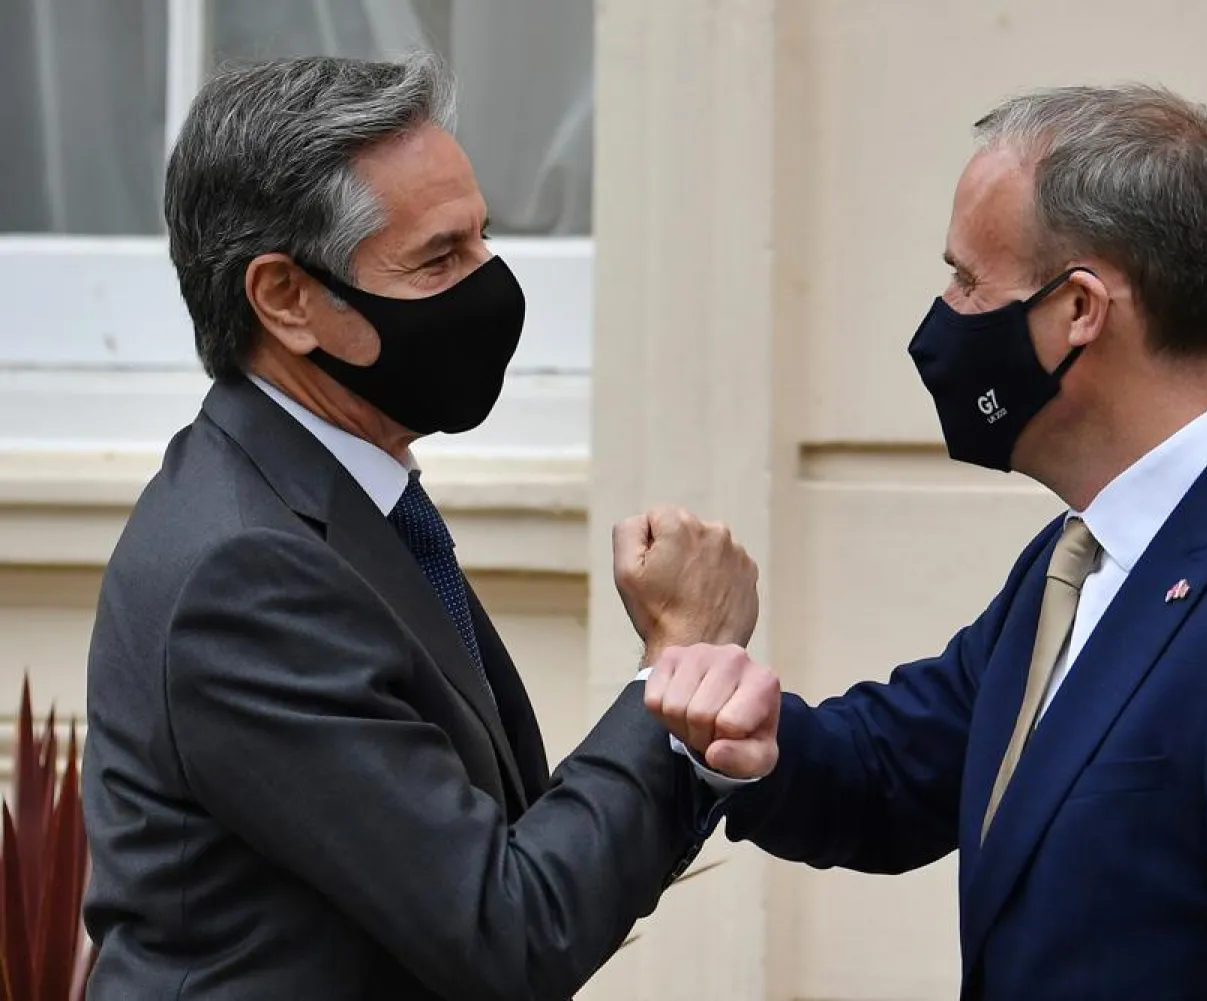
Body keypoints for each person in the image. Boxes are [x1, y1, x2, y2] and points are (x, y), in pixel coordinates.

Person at [637, 85, 1207, 999]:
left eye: (967, 279)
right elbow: (892, 775)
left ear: (1079, 309)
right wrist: (735, 723)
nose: (943, 314)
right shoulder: (1080, 555)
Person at [81, 54, 779, 1001]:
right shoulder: (245, 573)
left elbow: (510, 852)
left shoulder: (340, 499)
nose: (490, 286)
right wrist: (678, 663)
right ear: (285, 299)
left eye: (484, 238)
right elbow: (510, 931)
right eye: (439, 259)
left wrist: (691, 729)